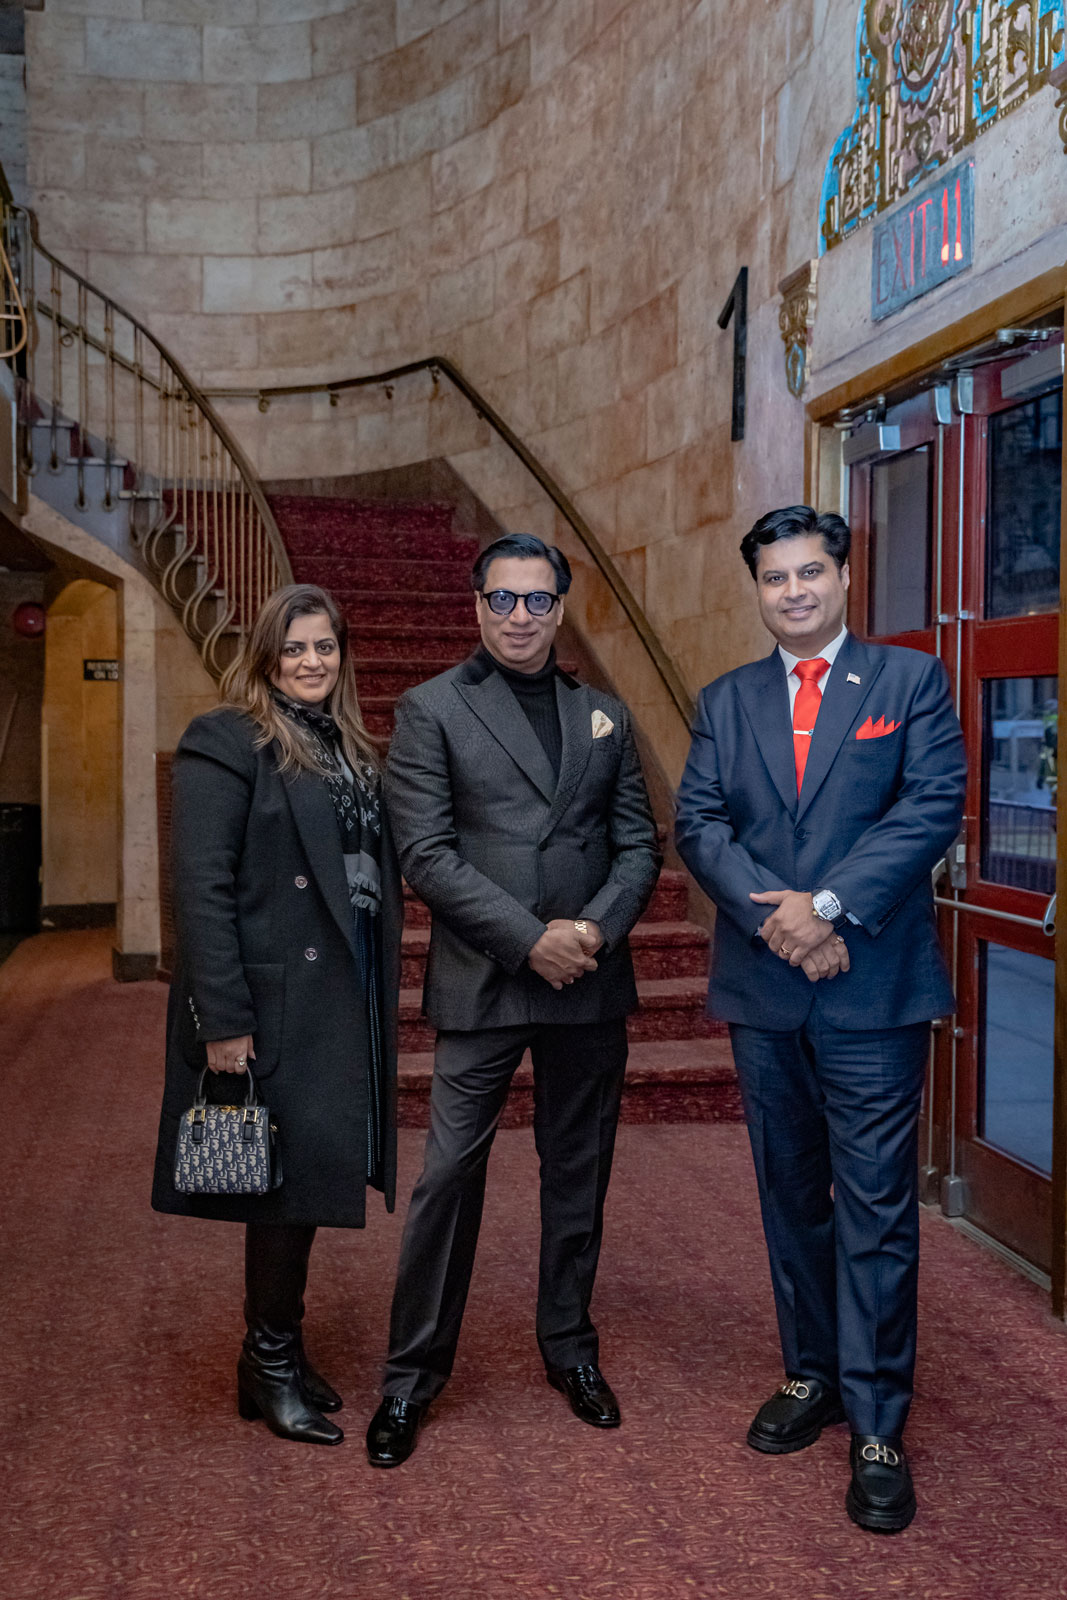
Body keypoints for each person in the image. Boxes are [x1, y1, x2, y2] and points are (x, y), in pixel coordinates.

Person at [674, 506, 965, 1533]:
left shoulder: (908, 681)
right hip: (767, 989)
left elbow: (930, 806)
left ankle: (878, 1422)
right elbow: (698, 823)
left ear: (842, 576)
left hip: (872, 991)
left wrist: (828, 907)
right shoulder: (724, 700)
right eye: (773, 577)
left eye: (808, 573)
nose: (791, 591)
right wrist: (783, 925)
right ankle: (812, 1373)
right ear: (755, 589)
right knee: (789, 1192)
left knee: (875, 1206)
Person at [365, 533, 661, 1466]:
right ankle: (410, 1378)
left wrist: (593, 932)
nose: (520, 615)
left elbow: (638, 845)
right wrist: (530, 939)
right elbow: (424, 854)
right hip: (487, 975)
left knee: (579, 1170)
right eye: (502, 598)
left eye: (537, 599)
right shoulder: (430, 709)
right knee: (448, 1178)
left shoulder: (603, 714)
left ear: (560, 607)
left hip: (587, 979)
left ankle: (569, 1347)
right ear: (477, 606)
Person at [151, 583, 402, 1447]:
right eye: (293, 648)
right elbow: (200, 889)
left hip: (342, 986)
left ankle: (276, 1355)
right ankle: (267, 1358)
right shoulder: (228, 739)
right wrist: (221, 1018)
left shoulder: (349, 747)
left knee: (301, 1180)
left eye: (324, 646)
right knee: (277, 1184)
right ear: (264, 656)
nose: (310, 662)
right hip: (269, 999)